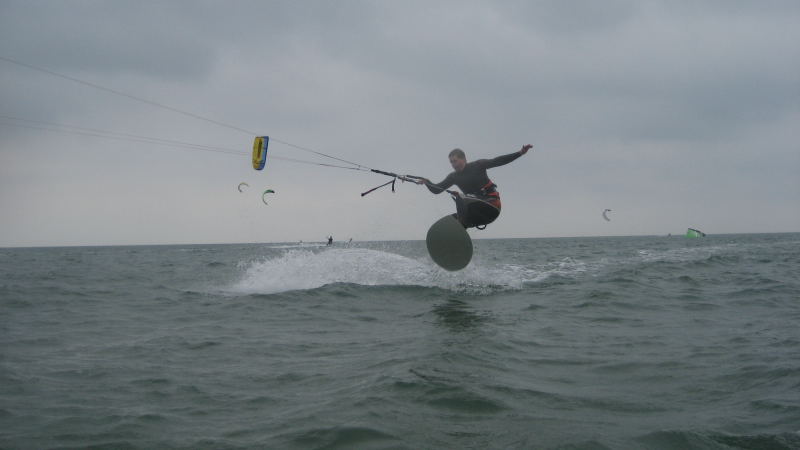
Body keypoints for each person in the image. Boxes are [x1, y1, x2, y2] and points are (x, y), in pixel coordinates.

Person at [418, 144, 532, 228]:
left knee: (460, 197)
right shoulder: (453, 177)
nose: (453, 165)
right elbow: (437, 190)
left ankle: (463, 222)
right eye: (451, 162)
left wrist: (520, 153)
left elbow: (498, 161)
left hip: (492, 205)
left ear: (464, 159)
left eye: (455, 161)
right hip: (476, 213)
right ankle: (458, 240)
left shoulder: (478, 165)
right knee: (452, 222)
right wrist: (426, 182)